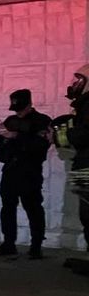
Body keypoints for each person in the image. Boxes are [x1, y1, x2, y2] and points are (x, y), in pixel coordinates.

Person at [0, 89, 52, 259]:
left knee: (33, 208)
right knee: (7, 208)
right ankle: (9, 243)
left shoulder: (41, 121)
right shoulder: (11, 120)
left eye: (21, 108)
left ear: (29, 104)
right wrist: (4, 135)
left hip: (30, 171)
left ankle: (36, 246)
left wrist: (15, 136)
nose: (18, 112)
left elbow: (40, 145)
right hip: (10, 170)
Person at [54, 64, 89, 255]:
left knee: (87, 212)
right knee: (84, 212)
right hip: (83, 163)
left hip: (86, 165)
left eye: (79, 80)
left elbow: (84, 135)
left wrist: (65, 133)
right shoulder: (82, 106)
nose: (74, 84)